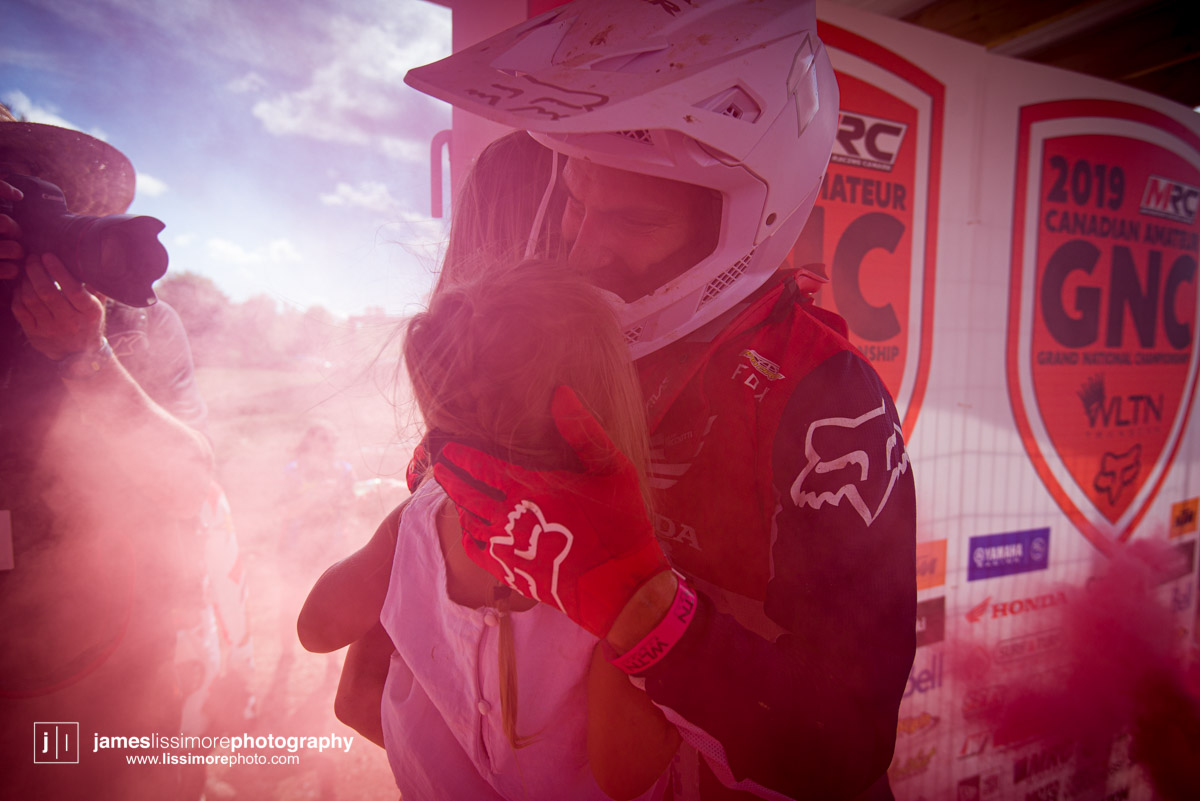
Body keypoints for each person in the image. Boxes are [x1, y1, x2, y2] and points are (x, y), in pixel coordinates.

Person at [405, 1, 917, 798]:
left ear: (745, 219)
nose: (582, 247)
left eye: (634, 219)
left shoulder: (827, 403)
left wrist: (646, 602)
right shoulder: (551, 326)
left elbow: (848, 744)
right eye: (574, 199)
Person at [302, 260, 680, 801]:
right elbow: (624, 775)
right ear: (603, 405)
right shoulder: (615, 568)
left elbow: (317, 630)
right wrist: (657, 614)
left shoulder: (418, 517)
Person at [0, 104, 214, 800]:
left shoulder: (136, 320)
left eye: (34, 195)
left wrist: (87, 358)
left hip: (110, 666)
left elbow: (188, 482)